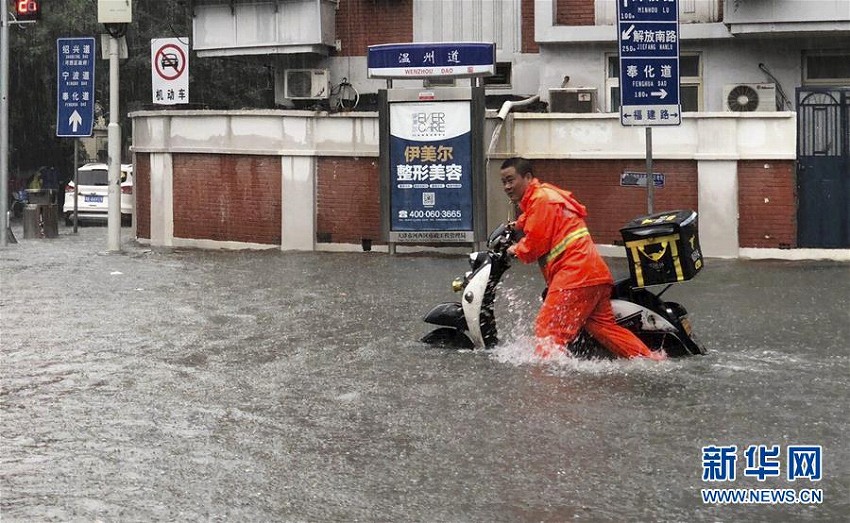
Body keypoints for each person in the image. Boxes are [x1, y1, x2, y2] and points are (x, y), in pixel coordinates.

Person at [499, 157, 664, 360]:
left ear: (527, 177)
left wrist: (514, 249)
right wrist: (516, 225)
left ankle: (548, 382)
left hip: (575, 275)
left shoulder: (540, 200)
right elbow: (535, 218)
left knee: (548, 331)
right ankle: (650, 360)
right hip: (594, 274)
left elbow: (533, 247)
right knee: (604, 328)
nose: (507, 186)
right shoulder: (547, 195)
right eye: (503, 182)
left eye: (510, 180)